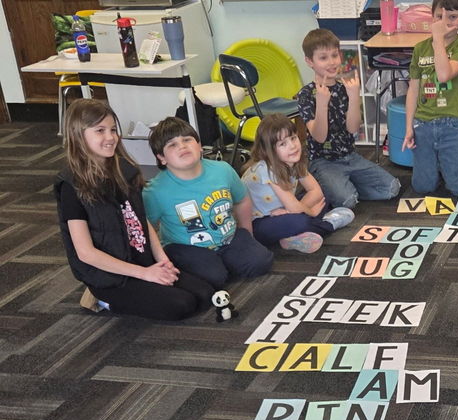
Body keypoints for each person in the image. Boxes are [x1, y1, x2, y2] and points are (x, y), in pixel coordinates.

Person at [54, 100, 218, 321]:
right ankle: (101, 299)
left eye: (113, 129)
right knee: (182, 305)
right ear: (78, 135)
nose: (110, 137)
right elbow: (85, 253)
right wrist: (145, 274)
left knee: (205, 294)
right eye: (100, 131)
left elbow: (139, 220)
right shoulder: (71, 186)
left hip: (140, 260)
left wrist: (161, 260)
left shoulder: (123, 169)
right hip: (109, 276)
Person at [144, 116, 273, 287]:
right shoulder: (155, 191)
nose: (182, 146)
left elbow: (242, 200)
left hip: (228, 238)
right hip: (186, 247)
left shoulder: (223, 170)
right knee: (213, 276)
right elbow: (146, 227)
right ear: (162, 158)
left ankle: (224, 265)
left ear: (199, 146)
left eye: (187, 140)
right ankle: (220, 268)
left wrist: (247, 234)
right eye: (172, 145)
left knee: (261, 261)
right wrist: (159, 260)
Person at [296, 28, 401, 209]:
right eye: (323, 58)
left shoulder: (345, 87)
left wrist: (354, 97)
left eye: (334, 55)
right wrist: (322, 104)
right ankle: (331, 188)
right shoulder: (305, 94)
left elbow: (353, 128)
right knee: (347, 201)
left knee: (392, 188)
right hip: (322, 161)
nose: (331, 62)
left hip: (350, 156)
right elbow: (319, 137)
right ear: (309, 61)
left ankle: (343, 187)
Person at [401, 0, 458, 197]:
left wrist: (438, 39)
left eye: (452, 16)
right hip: (424, 123)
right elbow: (413, 89)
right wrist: (409, 127)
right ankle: (443, 166)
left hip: (453, 124)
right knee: (423, 187)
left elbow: (443, 75)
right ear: (432, 17)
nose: (445, 22)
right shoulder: (421, 49)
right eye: (439, 16)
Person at [242, 114, 355, 254]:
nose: (292, 146)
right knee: (301, 221)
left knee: (324, 195)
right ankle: (328, 224)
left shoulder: (293, 161)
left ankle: (292, 237)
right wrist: (310, 212)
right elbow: (296, 207)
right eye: (283, 144)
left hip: (284, 210)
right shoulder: (267, 168)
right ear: (269, 151)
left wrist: (290, 211)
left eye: (293, 138)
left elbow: (316, 191)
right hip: (259, 223)